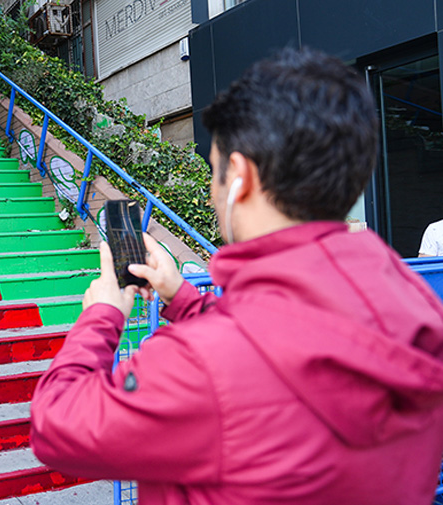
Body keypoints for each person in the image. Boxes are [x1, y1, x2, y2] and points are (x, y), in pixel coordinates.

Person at [30, 48, 443, 505]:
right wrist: (181, 297)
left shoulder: (201, 367)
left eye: (214, 173)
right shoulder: (416, 304)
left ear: (241, 177)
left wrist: (101, 316)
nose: (211, 195)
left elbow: (58, 426)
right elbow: (285, 340)